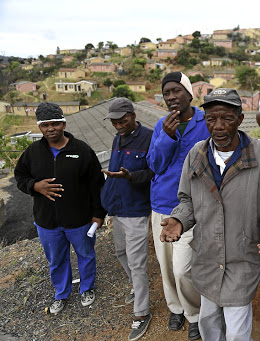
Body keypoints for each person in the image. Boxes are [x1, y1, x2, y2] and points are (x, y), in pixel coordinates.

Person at [160, 88, 260, 340]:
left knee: (236, 331)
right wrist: (179, 220)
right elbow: (187, 200)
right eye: (211, 119)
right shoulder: (196, 155)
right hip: (207, 255)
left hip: (242, 257)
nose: (218, 126)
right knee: (209, 322)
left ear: (240, 119)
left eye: (227, 118)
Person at [14, 102, 106, 314]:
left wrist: (98, 214)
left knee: (85, 254)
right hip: (47, 222)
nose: (50, 129)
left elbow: (97, 185)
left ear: (63, 124)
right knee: (56, 260)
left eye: (55, 123)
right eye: (45, 125)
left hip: (79, 219)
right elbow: (20, 177)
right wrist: (35, 186)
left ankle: (87, 288)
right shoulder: (32, 152)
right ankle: (61, 293)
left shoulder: (82, 150)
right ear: (40, 128)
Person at [146, 72, 209, 340]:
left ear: (189, 93)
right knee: (165, 264)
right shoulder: (162, 125)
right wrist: (167, 137)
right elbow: (154, 164)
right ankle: (175, 308)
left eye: (176, 91)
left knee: (184, 268)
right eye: (166, 93)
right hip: (161, 203)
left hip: (191, 207)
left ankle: (193, 313)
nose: (171, 97)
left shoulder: (204, 122)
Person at [100, 98, 154, 341]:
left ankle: (142, 313)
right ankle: (136, 286)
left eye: (122, 121)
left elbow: (155, 172)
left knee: (137, 262)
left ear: (133, 115)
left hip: (136, 209)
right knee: (121, 253)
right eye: (114, 122)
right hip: (117, 208)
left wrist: (131, 176)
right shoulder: (117, 138)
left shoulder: (150, 137)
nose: (118, 126)